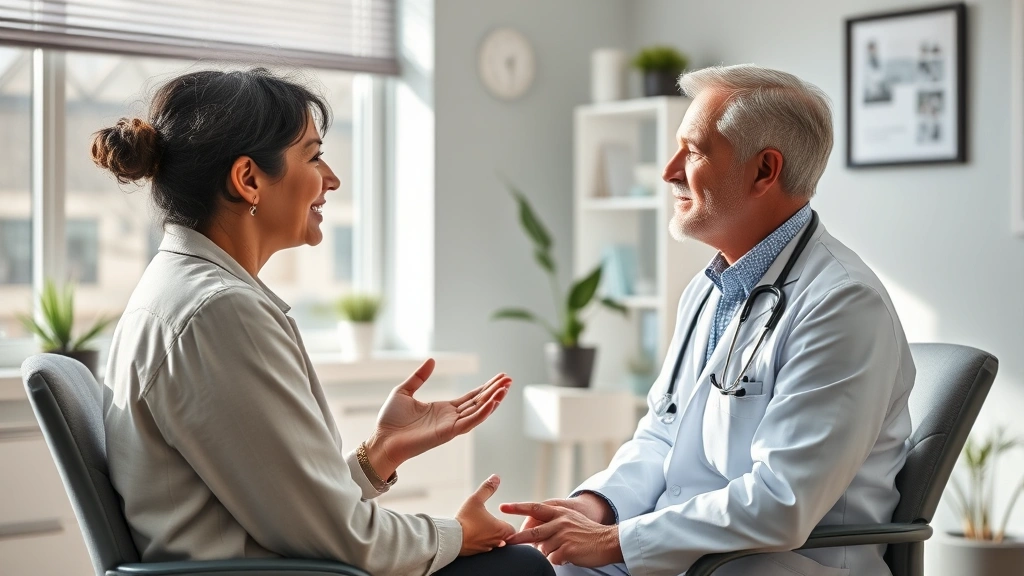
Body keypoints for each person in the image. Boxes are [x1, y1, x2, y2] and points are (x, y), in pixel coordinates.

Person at [95, 68, 554, 576]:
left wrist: (380, 452)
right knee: (523, 568)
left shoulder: (183, 291)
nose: (331, 178)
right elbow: (344, 539)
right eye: (313, 156)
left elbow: (288, 509)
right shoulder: (217, 312)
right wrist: (457, 533)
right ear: (249, 179)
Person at [501, 64, 915, 576]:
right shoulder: (708, 289)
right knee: (548, 566)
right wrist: (597, 508)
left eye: (693, 151)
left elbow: (781, 501)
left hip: (782, 565)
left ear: (765, 171)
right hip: (691, 549)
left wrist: (617, 540)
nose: (669, 170)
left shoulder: (843, 304)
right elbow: (661, 433)